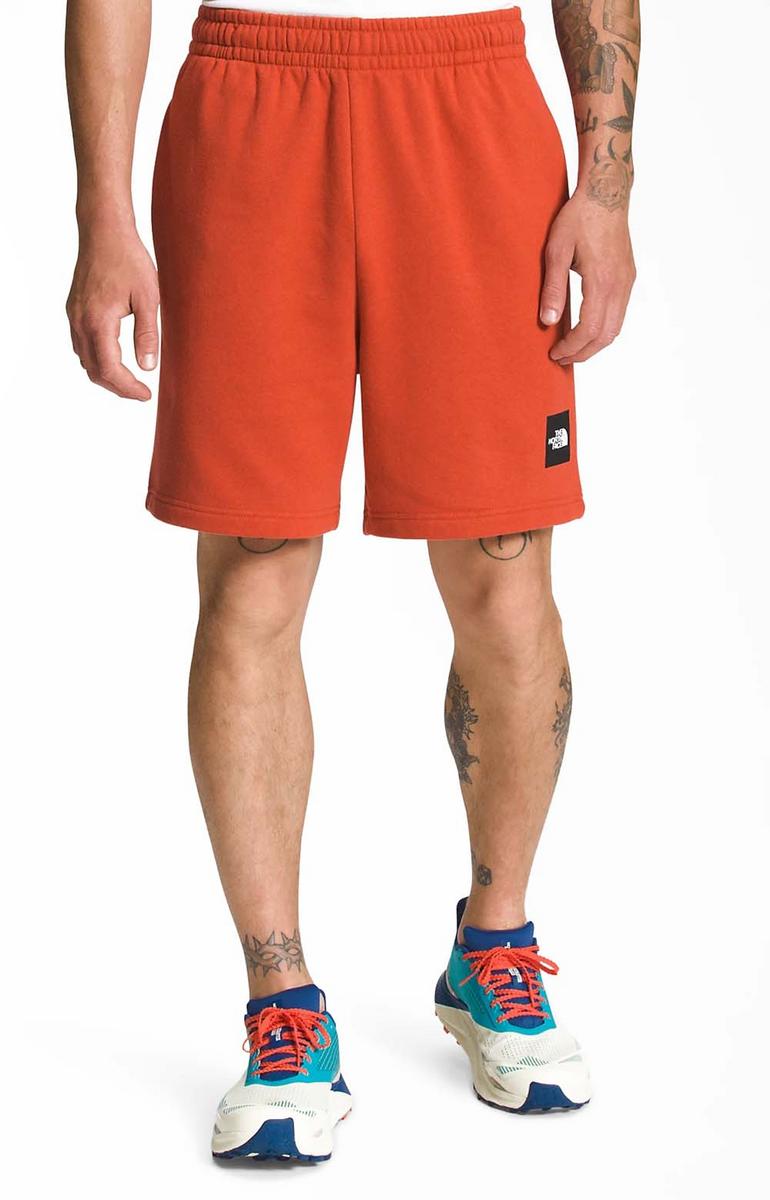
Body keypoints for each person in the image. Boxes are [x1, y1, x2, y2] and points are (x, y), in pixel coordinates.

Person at [65, 0, 639, 1162]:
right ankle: (281, 1005)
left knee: (502, 569)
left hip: (470, 97)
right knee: (254, 574)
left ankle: (493, 948)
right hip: (249, 99)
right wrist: (102, 211)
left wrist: (606, 188)